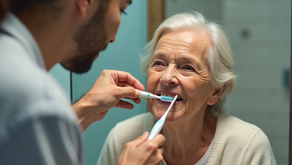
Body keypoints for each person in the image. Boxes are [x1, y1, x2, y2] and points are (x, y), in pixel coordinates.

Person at [97, 11, 277, 165]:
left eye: (187, 67)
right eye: (159, 63)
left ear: (216, 91)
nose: (166, 78)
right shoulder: (122, 138)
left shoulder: (248, 147)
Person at [0, 0, 165, 164]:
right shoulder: (38, 100)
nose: (113, 38)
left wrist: (85, 108)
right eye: (121, 10)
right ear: (86, 2)